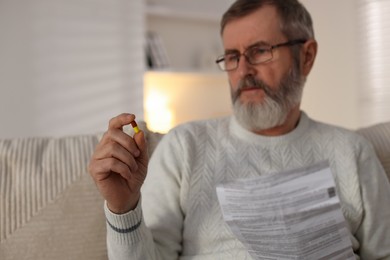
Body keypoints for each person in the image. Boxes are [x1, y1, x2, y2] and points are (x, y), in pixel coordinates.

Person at [88, 0, 390, 259]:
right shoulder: (185, 146)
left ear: (306, 56)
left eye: (260, 51)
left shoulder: (352, 152)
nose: (243, 71)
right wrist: (124, 208)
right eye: (232, 56)